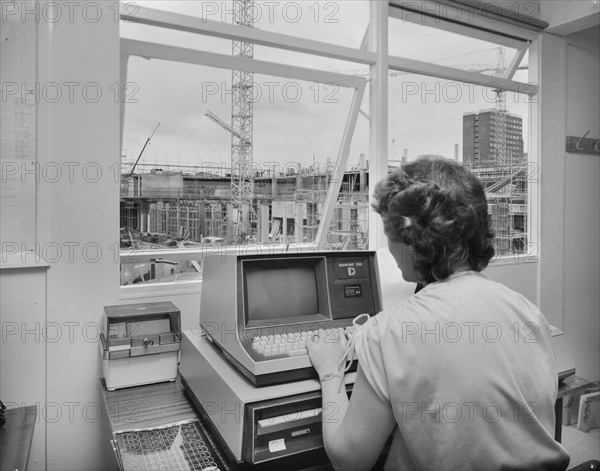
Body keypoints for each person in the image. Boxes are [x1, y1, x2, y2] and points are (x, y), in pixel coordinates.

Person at [307, 156, 570, 471]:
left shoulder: (389, 331)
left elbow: (349, 460)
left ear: (410, 240)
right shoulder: (529, 312)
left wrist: (330, 372)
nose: (388, 246)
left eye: (389, 232)